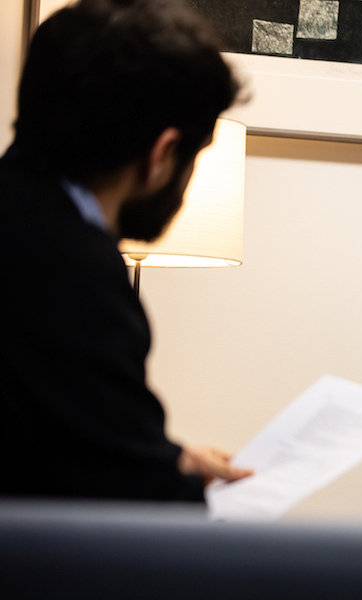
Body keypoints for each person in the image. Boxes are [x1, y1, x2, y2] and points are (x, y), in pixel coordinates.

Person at [0, 0, 251, 501]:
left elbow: (48, 444)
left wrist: (168, 457)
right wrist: (171, 479)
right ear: (161, 155)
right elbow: (132, 501)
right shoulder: (73, 272)